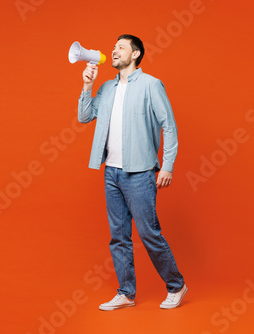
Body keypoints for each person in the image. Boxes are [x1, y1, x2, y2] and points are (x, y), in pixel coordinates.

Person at [77, 34, 187, 311]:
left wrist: (168, 165)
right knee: (119, 236)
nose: (113, 51)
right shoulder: (107, 88)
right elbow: (84, 116)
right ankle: (126, 293)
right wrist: (87, 86)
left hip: (140, 173)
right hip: (111, 172)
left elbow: (169, 125)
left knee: (149, 233)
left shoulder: (151, 85)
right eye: (113, 47)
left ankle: (176, 285)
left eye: (120, 48)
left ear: (135, 54)